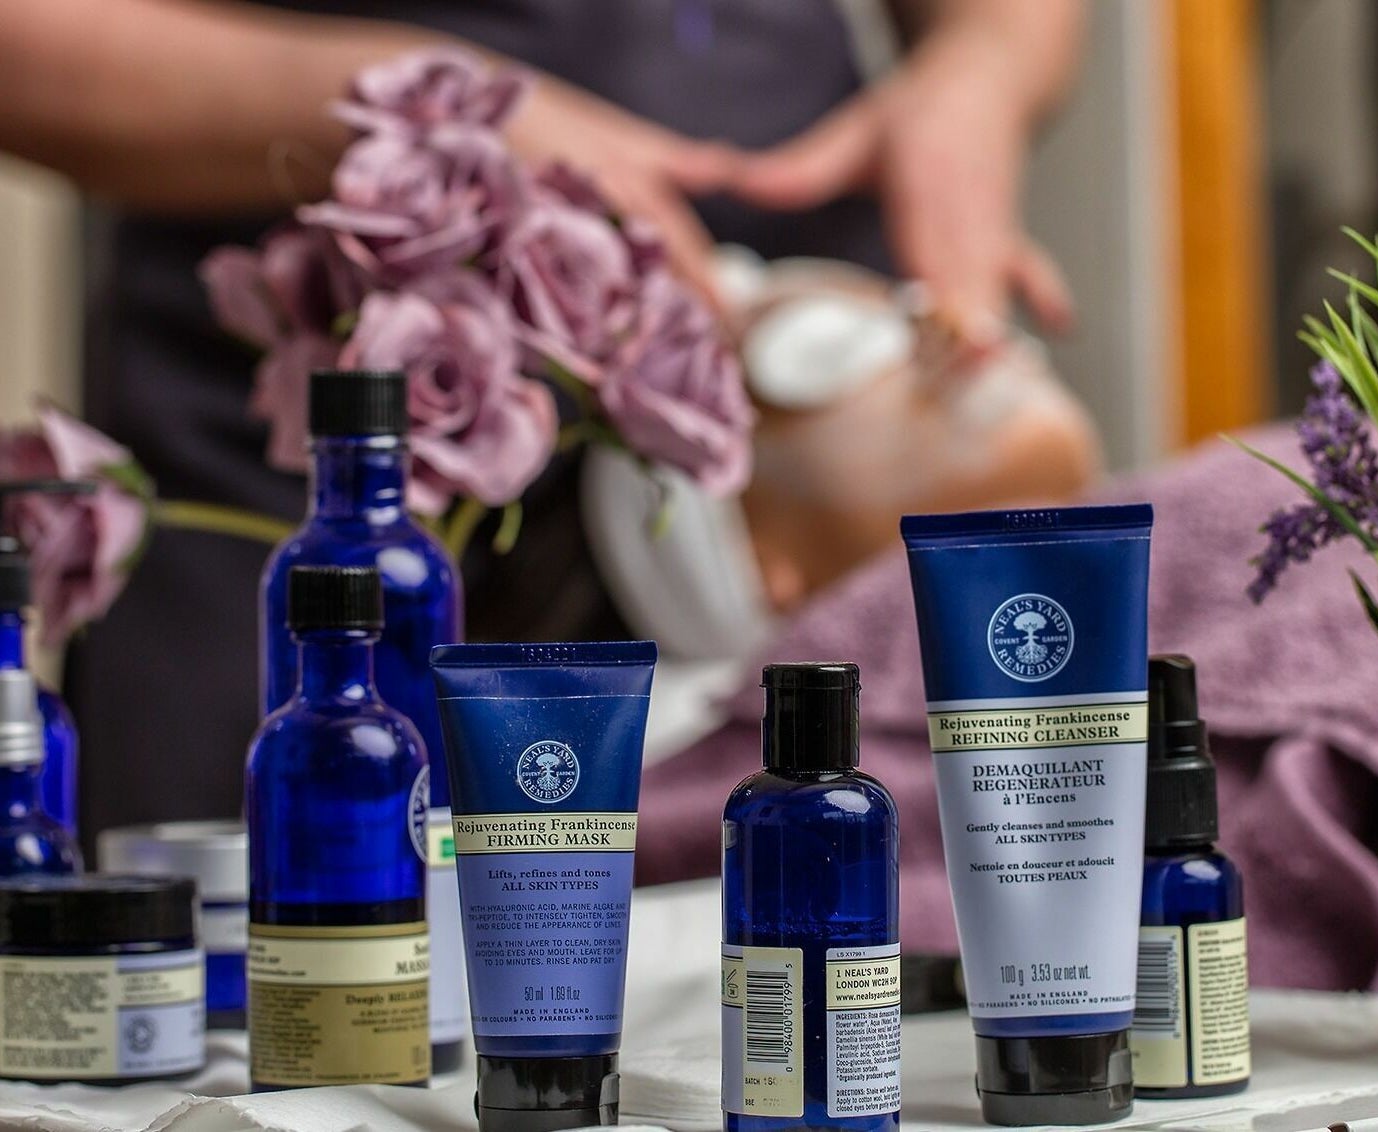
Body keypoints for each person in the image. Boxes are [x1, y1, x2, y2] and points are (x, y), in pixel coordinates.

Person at [0, 0, 1086, 847]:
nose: (937, 342)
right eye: (829, 346)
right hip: (292, 462)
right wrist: (407, 113)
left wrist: (979, 70)